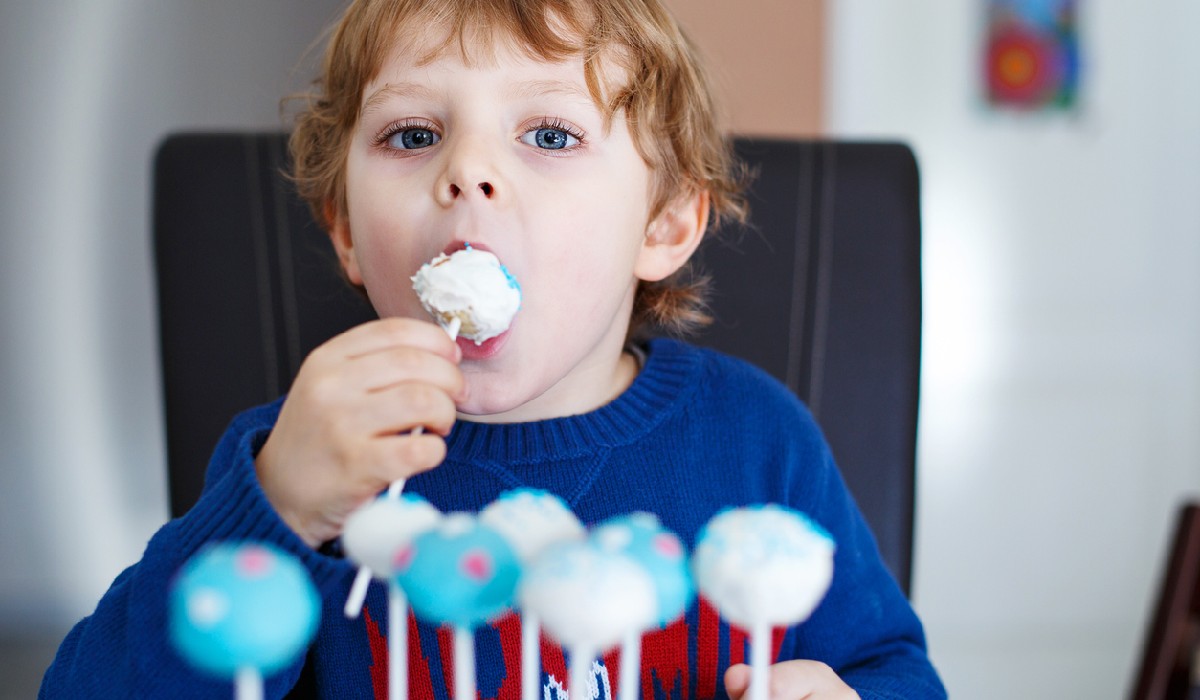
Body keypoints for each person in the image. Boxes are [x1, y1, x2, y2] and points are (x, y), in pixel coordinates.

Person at [41, 0, 946, 698]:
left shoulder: (758, 442)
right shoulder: (299, 463)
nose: (466, 170)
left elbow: (894, 668)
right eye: (413, 133)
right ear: (348, 231)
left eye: (549, 134)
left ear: (665, 223)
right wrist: (276, 509)